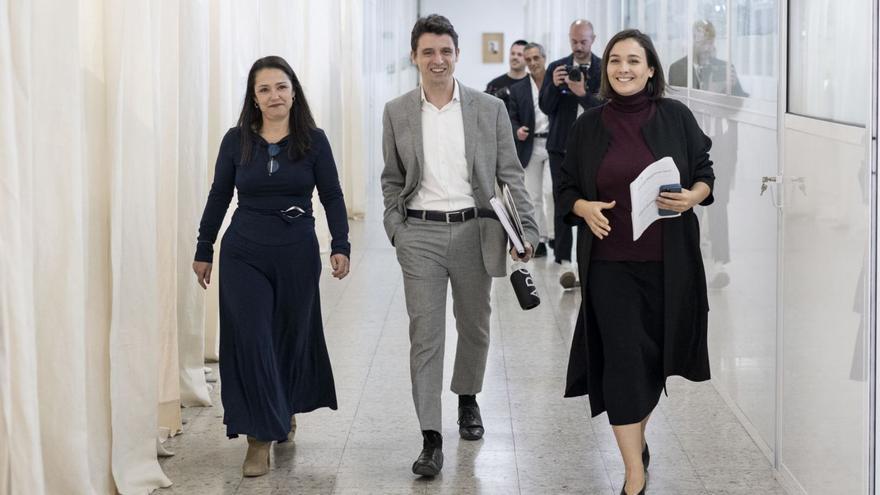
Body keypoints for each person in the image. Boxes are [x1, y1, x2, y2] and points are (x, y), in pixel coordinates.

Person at [558, 30, 715, 495]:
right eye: (615, 61)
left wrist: (693, 196)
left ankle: (636, 439)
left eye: (633, 60)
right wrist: (583, 208)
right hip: (609, 266)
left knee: (652, 362)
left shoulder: (676, 117)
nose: (623, 68)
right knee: (624, 362)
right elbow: (566, 189)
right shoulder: (588, 125)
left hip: (668, 266)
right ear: (606, 69)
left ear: (650, 70)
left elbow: (705, 170)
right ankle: (633, 475)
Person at [381, 14, 539, 477]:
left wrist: (525, 230)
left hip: (476, 230)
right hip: (421, 234)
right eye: (428, 51)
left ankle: (467, 397)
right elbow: (391, 180)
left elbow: (511, 174)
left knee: (475, 325)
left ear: (457, 54)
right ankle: (431, 436)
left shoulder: (488, 108)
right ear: (414, 56)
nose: (437, 59)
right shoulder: (397, 111)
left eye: (445, 51)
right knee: (425, 337)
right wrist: (397, 230)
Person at [192, 55, 351, 478]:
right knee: (252, 338)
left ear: (293, 91)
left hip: (297, 250)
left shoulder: (313, 140)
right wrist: (204, 246)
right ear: (254, 98)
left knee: (288, 336)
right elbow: (219, 195)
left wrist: (341, 244)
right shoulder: (236, 140)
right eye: (264, 89)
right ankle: (259, 438)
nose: (274, 95)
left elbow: (332, 195)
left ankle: (281, 408)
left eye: (281, 87)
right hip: (244, 250)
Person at [539, 19, 603, 287]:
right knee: (562, 200)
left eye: (583, 42)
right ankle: (563, 259)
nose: (578, 47)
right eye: (574, 41)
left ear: (593, 39)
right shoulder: (556, 67)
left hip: (594, 147)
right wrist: (554, 85)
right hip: (561, 146)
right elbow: (545, 106)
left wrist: (582, 93)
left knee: (592, 200)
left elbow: (606, 107)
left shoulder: (603, 67)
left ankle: (591, 258)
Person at [508, 42, 551, 257]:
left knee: (550, 192)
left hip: (553, 145)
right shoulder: (518, 89)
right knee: (533, 195)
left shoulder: (555, 82)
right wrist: (517, 131)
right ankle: (540, 238)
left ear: (544, 57)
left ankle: (553, 235)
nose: (533, 63)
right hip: (531, 146)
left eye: (537, 58)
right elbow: (512, 118)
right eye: (529, 59)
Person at [485, 39, 529, 108]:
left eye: (519, 54)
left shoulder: (533, 83)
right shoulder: (494, 84)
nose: (515, 57)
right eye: (512, 53)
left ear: (527, 58)